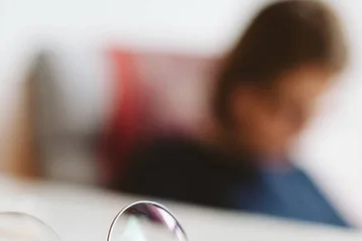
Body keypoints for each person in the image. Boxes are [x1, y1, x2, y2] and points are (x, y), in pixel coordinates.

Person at [115, 0, 351, 228]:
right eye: (291, 109)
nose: (302, 126)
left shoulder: (299, 182)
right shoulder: (166, 172)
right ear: (242, 98)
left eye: (314, 109)